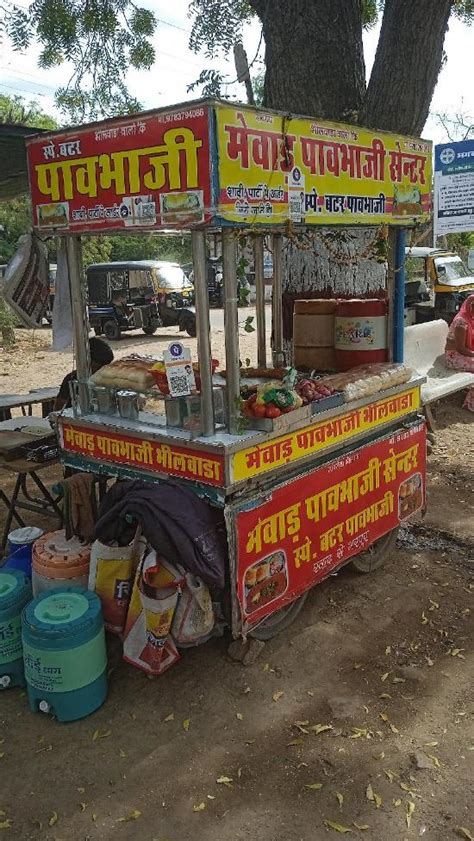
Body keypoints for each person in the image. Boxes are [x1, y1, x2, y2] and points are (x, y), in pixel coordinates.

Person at [54, 337, 114, 410]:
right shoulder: (72, 378)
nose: (100, 371)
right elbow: (58, 408)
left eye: (105, 368)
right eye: (97, 367)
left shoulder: (110, 378)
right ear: (87, 362)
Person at [444, 294, 474, 412]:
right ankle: (470, 403)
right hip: (454, 356)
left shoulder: (470, 318)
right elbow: (460, 348)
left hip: (465, 354)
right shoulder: (461, 322)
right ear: (470, 306)